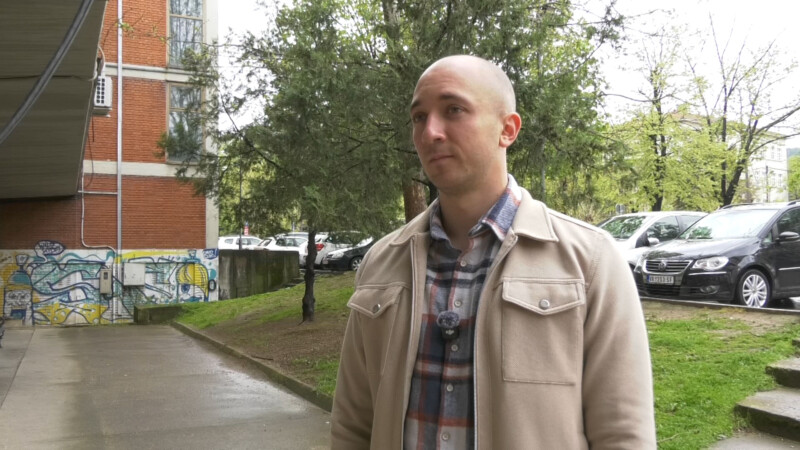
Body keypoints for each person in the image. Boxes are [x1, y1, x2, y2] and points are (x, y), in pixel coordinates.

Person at [331, 55, 656, 449]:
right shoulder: (380, 264)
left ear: (508, 129)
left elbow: (623, 434)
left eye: (454, 110)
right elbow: (351, 426)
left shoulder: (591, 261)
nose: (430, 132)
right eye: (419, 117)